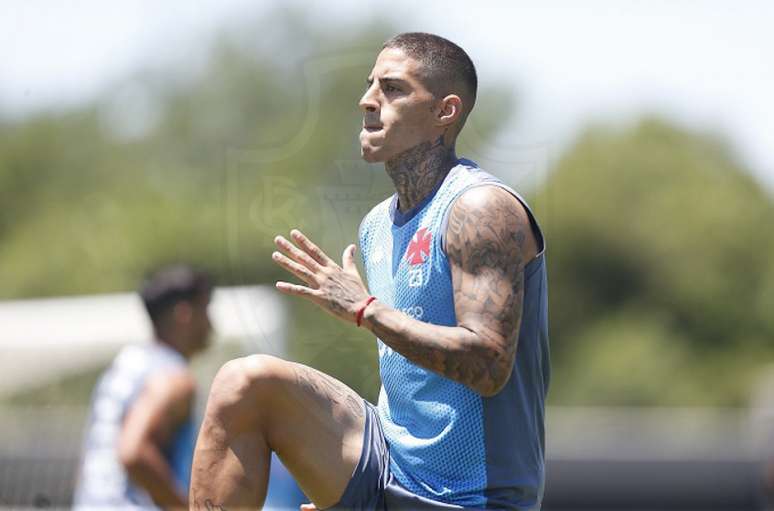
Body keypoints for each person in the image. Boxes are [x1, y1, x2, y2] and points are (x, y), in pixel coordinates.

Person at [190, 32, 550, 510]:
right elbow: (405, 378)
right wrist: (340, 477)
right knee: (244, 383)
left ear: (446, 111)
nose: (367, 101)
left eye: (393, 88)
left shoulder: (480, 208)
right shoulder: (376, 226)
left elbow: (487, 365)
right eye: (370, 85)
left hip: (468, 497)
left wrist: (365, 308)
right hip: (387, 462)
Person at [74, 265, 213, 510]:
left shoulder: (123, 365)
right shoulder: (173, 379)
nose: (211, 323)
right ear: (185, 314)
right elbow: (133, 451)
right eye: (205, 310)